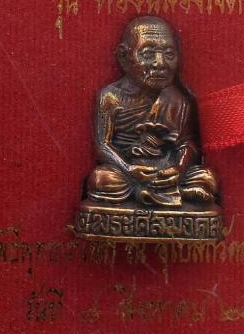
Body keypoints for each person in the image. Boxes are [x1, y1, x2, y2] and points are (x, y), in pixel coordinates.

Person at [86, 16, 218, 208]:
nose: (160, 63)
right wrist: (128, 168)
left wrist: (179, 169)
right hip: (128, 171)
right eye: (147, 54)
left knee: (207, 178)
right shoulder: (110, 97)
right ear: (124, 57)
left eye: (169, 54)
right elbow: (103, 145)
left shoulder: (178, 99)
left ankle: (163, 191)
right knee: (100, 179)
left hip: (165, 169)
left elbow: (187, 144)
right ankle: (169, 194)